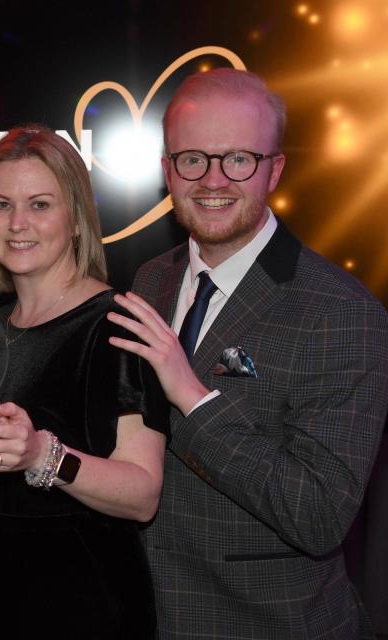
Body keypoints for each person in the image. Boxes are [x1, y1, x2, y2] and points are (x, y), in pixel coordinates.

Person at [107, 68, 388, 638]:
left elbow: (319, 516)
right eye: (192, 159)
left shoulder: (339, 309)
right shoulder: (151, 281)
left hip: (270, 624)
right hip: (148, 614)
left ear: (274, 169)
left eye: (238, 158)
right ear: (167, 171)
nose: (213, 179)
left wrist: (190, 395)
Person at [0, 125, 169, 639]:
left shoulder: (119, 324)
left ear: (75, 219)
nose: (18, 223)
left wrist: (40, 455)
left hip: (82, 602)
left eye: (40, 204)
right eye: (1, 205)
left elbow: (142, 493)